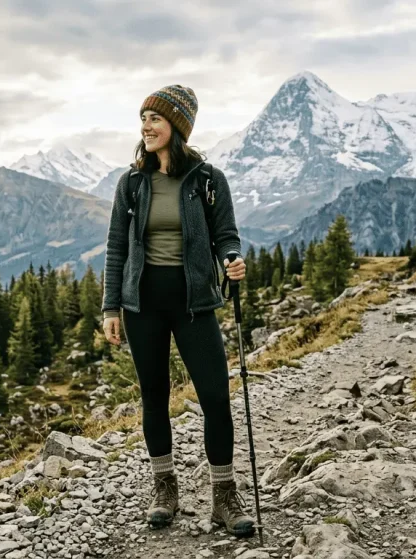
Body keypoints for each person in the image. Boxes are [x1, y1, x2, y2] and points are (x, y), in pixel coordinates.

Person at [100, 84, 255, 537]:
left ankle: (224, 497)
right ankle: (164, 488)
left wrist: (232, 258)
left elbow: (225, 233)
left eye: (155, 118)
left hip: (194, 302)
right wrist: (112, 306)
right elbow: (115, 248)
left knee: (215, 398)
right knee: (154, 396)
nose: (146, 126)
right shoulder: (131, 183)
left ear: (178, 127)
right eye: (143, 118)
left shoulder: (208, 180)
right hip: (142, 303)